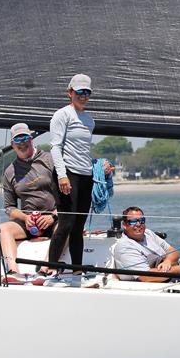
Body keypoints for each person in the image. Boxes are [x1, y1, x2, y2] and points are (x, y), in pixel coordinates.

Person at [45, 74, 110, 277]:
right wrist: (62, 176)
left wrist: (99, 167)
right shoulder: (62, 115)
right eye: (79, 92)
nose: (83, 96)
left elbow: (83, 150)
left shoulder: (89, 120)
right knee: (66, 223)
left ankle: (77, 269)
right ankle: (50, 266)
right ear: (70, 93)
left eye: (87, 93)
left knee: (79, 225)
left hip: (85, 175)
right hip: (68, 174)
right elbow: (56, 148)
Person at [0, 123, 58, 273]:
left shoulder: (50, 160)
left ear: (31, 139)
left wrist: (53, 216)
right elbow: (9, 208)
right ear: (13, 145)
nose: (22, 144)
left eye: (25, 138)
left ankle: (46, 268)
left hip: (54, 218)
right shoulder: (9, 172)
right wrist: (25, 218)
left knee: (69, 226)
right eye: (17, 141)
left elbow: (69, 195)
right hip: (28, 222)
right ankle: (13, 271)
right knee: (3, 229)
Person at [111, 207, 180, 282]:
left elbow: (173, 251)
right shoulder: (125, 247)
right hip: (153, 283)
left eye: (141, 220)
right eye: (133, 221)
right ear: (124, 225)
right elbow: (146, 277)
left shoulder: (148, 233)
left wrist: (168, 261)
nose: (138, 224)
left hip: (170, 274)